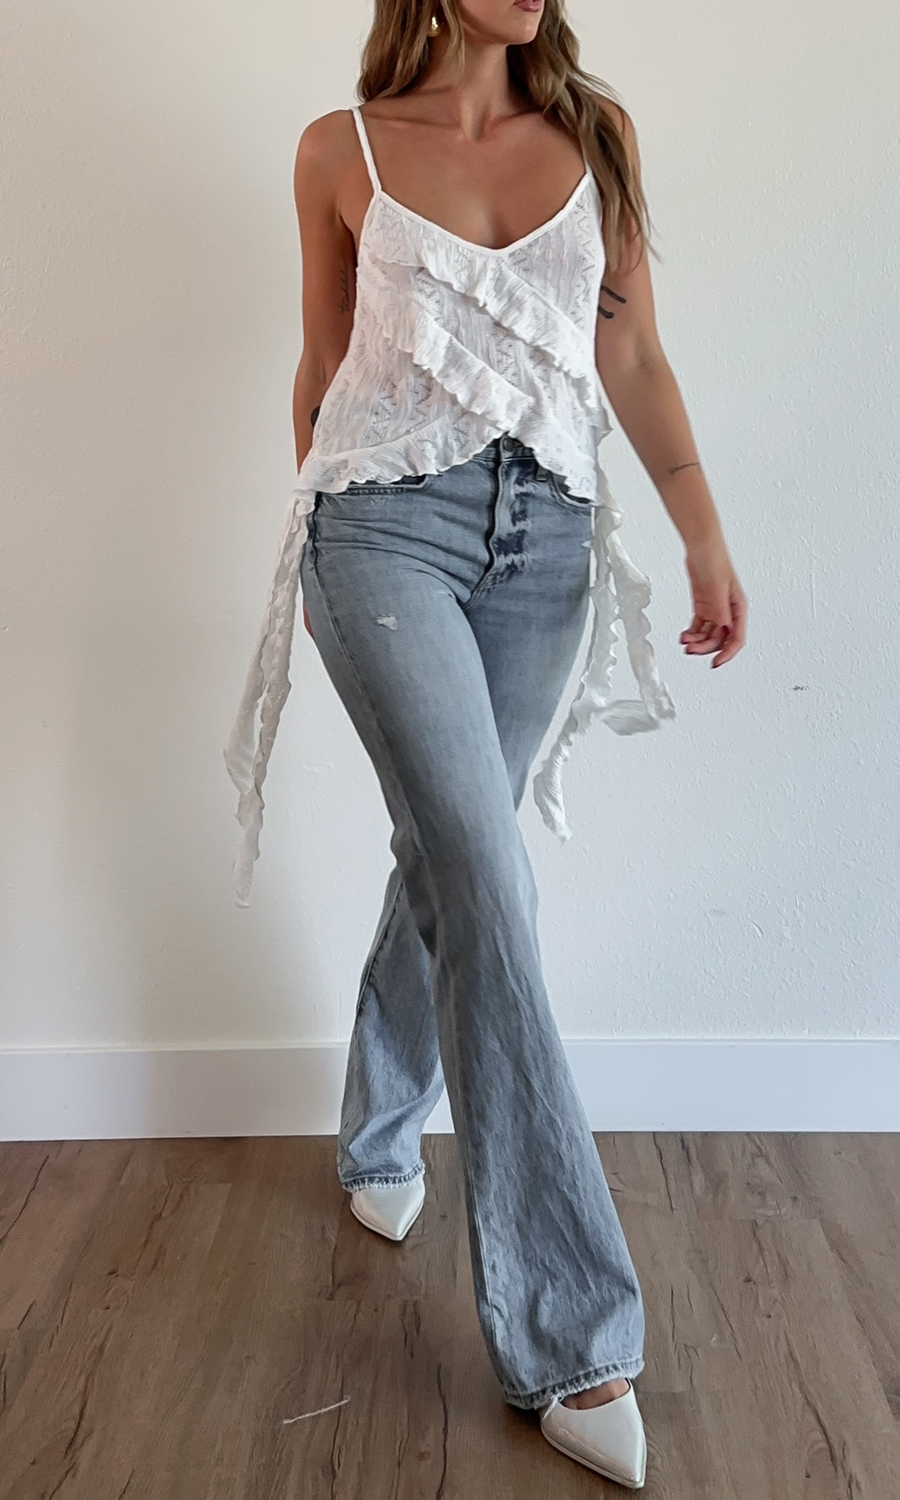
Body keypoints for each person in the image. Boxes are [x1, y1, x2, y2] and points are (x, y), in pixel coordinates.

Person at [223, 0, 747, 1487]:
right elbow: (322, 367)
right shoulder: (337, 151)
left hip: (547, 543)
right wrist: (315, 549)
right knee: (480, 867)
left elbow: (631, 351)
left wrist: (703, 534)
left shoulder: (596, 134)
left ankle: (378, 1127)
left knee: (454, 853)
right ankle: (574, 1334)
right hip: (379, 529)